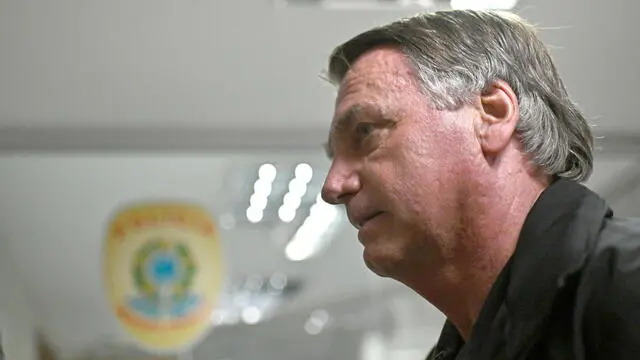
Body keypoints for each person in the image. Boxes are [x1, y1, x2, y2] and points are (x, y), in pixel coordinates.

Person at [320, 9, 640, 360]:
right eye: (334, 155)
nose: (333, 186)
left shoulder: (627, 287)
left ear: (493, 114)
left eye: (365, 131)